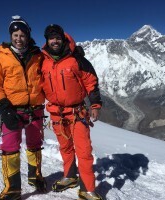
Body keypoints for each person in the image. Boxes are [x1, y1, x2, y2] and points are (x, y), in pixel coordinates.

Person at [41, 24, 103, 200]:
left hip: (77, 113)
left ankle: (87, 189)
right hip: (56, 114)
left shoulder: (76, 59)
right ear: (47, 41)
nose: (55, 41)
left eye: (57, 37)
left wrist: (96, 104)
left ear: (63, 39)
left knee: (83, 151)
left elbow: (91, 82)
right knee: (65, 148)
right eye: (51, 38)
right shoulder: (42, 61)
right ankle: (70, 176)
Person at [0, 15, 47, 200]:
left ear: (28, 35)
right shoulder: (1, 58)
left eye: (22, 35)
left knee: (35, 145)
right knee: (10, 148)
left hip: (35, 110)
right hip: (11, 110)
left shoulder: (38, 56)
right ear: (11, 36)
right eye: (15, 34)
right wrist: (3, 107)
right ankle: (13, 189)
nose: (19, 38)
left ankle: (35, 176)